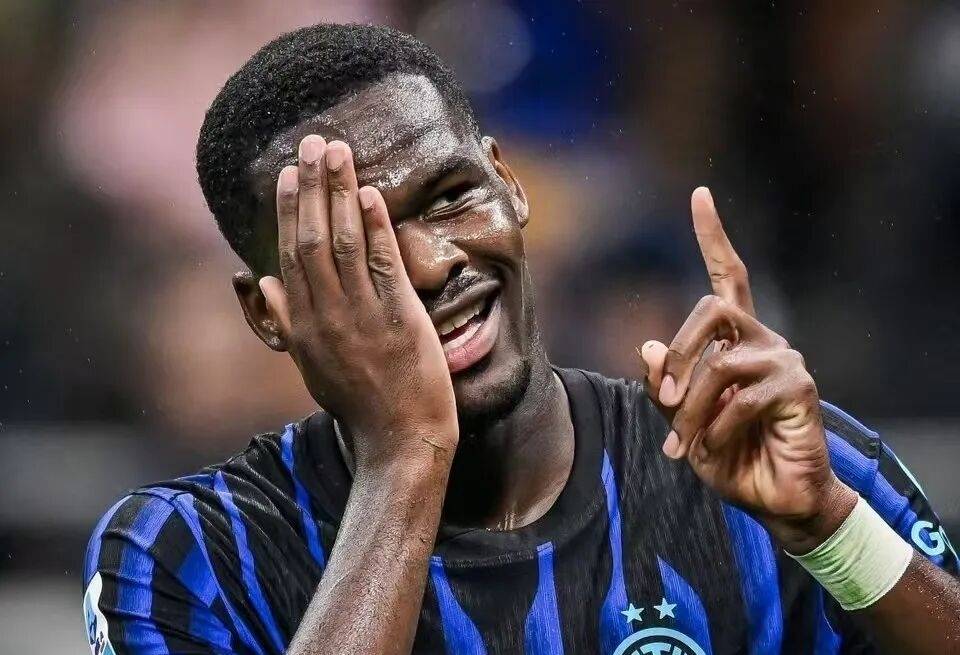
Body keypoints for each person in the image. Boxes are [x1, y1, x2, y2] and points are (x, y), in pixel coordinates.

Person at [82, 23, 960, 655]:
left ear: (509, 183)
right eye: (359, 250)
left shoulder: (773, 467)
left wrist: (830, 527)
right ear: (268, 311)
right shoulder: (191, 556)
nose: (434, 264)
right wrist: (405, 455)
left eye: (451, 197)